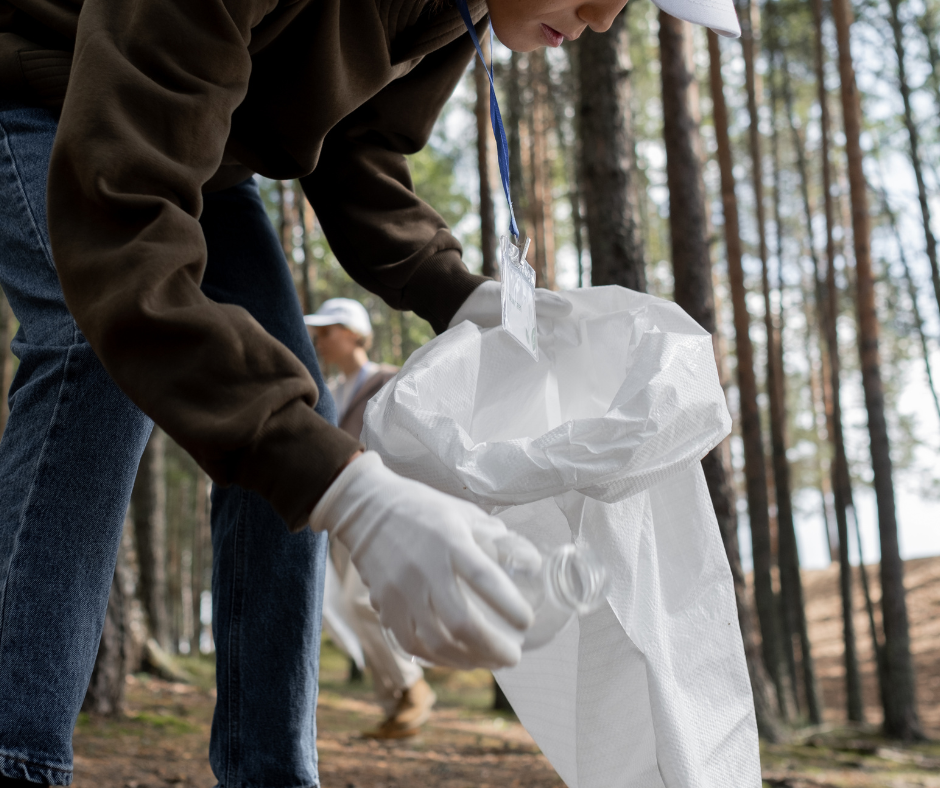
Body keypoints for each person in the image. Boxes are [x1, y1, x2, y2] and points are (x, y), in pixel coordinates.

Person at [0, 0, 739, 785]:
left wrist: (459, 294)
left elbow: (355, 139)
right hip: (50, 92)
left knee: (296, 417)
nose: (599, 17)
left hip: (205, 149)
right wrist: (358, 498)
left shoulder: (468, 6)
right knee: (95, 352)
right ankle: (18, 754)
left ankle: (271, 772)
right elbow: (119, 212)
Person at [306, 298, 436, 740]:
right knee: (349, 606)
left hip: (379, 505)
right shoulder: (328, 393)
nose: (320, 340)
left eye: (328, 331)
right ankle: (397, 708)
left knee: (365, 601)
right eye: (319, 333)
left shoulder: (387, 380)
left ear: (354, 332)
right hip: (340, 512)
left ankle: (412, 688)